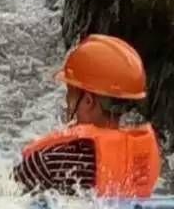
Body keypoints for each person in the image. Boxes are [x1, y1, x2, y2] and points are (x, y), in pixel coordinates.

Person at [14, 35, 160, 199]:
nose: (67, 103)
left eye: (70, 95)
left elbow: (5, 198)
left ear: (88, 101)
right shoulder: (141, 161)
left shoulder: (48, 161)